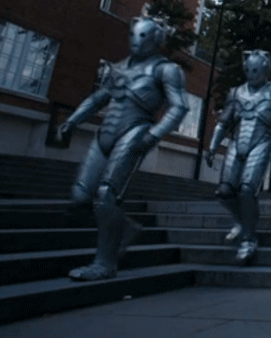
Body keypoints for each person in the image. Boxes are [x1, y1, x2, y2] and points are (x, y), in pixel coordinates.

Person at [57, 16, 188, 281]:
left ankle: (104, 263)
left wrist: (154, 135)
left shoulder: (165, 70)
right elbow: (98, 98)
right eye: (133, 35)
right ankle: (123, 228)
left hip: (135, 130)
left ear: (156, 40)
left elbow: (180, 106)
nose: (136, 42)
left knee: (107, 195)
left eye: (143, 37)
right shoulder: (117, 68)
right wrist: (73, 119)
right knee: (81, 196)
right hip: (105, 134)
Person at [205, 50, 271, 263]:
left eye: (256, 70)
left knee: (246, 190)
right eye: (249, 70)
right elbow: (224, 122)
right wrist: (212, 146)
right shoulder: (236, 93)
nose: (252, 75)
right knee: (224, 191)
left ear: (265, 70)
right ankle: (241, 221)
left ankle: (248, 239)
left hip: (261, 142)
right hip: (236, 142)